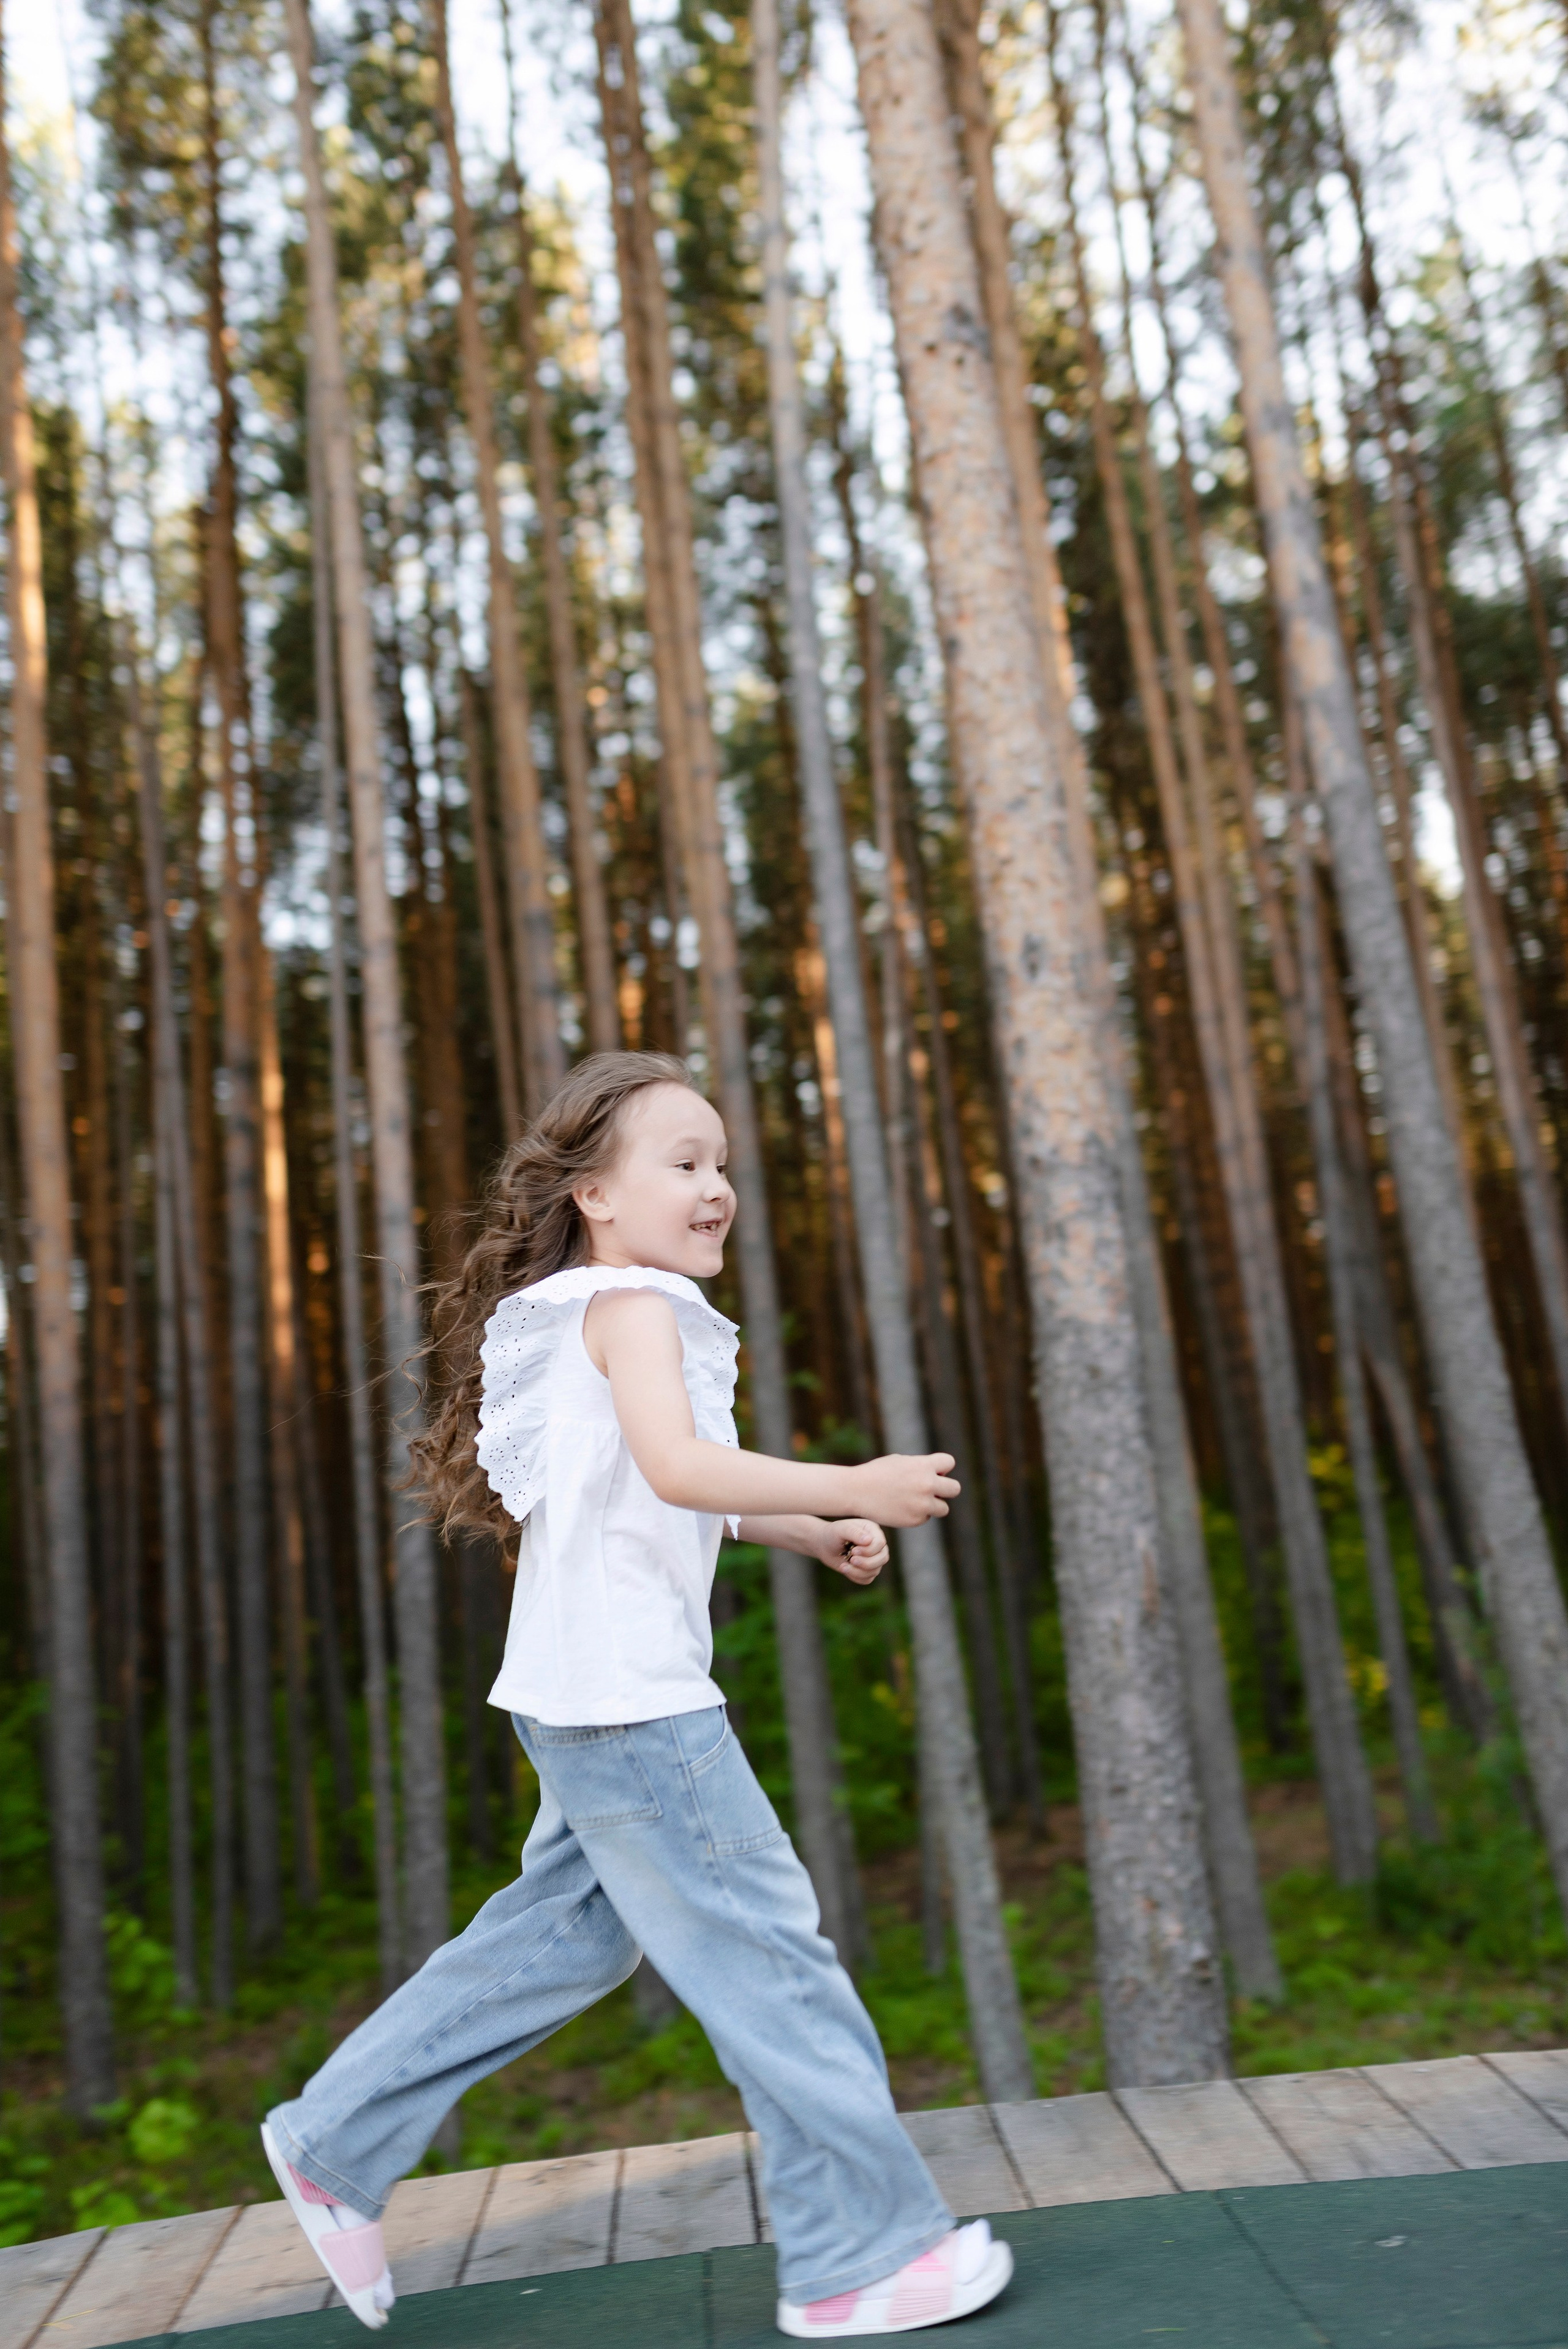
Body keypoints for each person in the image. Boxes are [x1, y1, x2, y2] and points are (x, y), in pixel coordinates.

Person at [261, 1051, 1014, 2338]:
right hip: (632, 1700)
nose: (715, 1186)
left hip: (578, 1691)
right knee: (773, 1959)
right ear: (597, 1193)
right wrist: (852, 1481)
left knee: (568, 1936)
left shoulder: (590, 1306)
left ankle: (332, 2140)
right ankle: (859, 2259)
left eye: (721, 1163)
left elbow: (636, 1488)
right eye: (684, 1163)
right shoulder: (634, 1311)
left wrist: (800, 1531)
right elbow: (674, 1466)